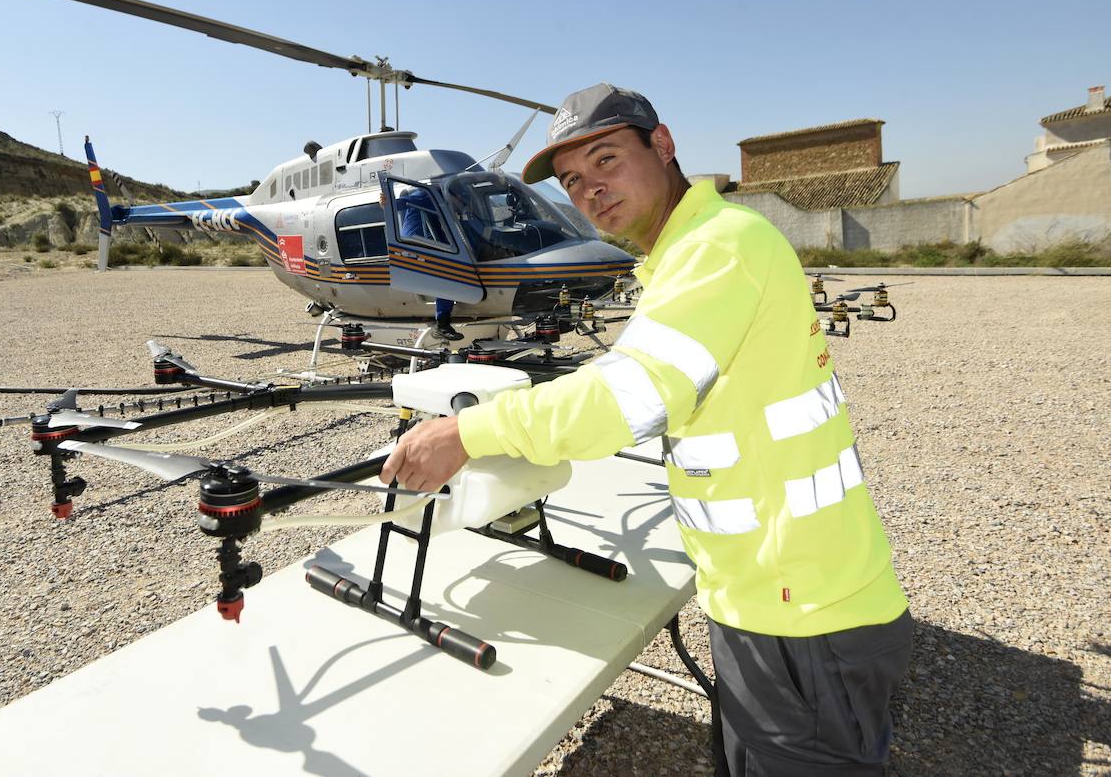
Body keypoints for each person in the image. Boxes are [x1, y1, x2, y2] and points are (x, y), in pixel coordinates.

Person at [381, 85, 912, 775]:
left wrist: (465, 432)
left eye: (606, 159)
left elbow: (618, 398)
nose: (590, 189)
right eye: (573, 180)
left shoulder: (722, 246)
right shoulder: (692, 251)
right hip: (776, 598)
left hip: (800, 615)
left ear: (663, 145)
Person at [396, 186, 462, 341]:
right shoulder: (426, 194)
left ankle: (443, 320)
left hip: (426, 242)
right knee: (446, 278)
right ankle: (442, 325)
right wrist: (385, 201)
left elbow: (440, 233)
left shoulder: (441, 202)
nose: (461, 202)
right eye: (460, 198)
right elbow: (398, 204)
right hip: (415, 245)